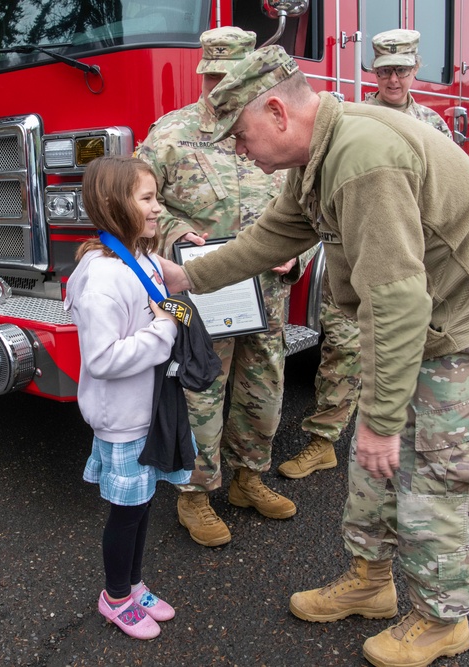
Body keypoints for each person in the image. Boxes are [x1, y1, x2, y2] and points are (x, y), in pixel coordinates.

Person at [160, 45, 469, 667]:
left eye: (240, 134)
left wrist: (385, 422)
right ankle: (371, 582)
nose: (236, 151)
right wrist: (188, 278)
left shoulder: (362, 160)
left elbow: (397, 303)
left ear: (278, 112)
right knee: (375, 469)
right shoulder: (320, 153)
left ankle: (443, 621)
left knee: (435, 477)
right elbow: (273, 237)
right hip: (423, 324)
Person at [136, 27, 297, 547]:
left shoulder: (273, 128)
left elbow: (309, 208)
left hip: (268, 292)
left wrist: (298, 255)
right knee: (202, 388)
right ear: (200, 73)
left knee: (265, 384)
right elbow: (133, 203)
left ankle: (250, 478)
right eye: (212, 76)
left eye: (231, 76)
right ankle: (196, 495)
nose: (220, 86)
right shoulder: (170, 133)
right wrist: (176, 233)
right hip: (204, 287)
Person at [278, 28, 451, 479]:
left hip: (414, 268)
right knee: (342, 350)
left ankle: (405, 441)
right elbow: (317, 203)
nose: (393, 79)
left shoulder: (433, 125)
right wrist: (296, 255)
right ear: (373, 72)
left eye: (402, 70)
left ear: (415, 70)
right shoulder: (349, 122)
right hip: (353, 269)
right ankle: (324, 440)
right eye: (385, 71)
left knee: (412, 352)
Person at [65, 156, 190, 640]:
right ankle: (115, 596)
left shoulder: (133, 256)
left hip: (147, 410)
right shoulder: (102, 278)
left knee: (143, 506)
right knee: (127, 513)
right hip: (123, 419)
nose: (158, 208)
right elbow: (103, 359)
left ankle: (134, 584)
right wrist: (164, 330)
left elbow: (154, 278)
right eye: (148, 199)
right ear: (115, 205)